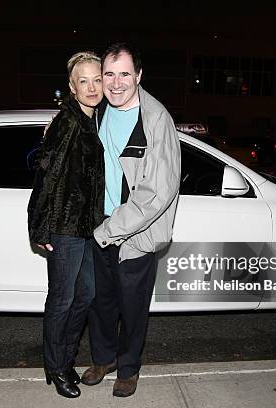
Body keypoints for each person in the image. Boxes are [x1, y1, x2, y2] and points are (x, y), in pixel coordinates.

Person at [81, 43, 181, 397]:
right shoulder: (98, 113)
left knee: (133, 308)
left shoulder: (157, 121)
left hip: (133, 235)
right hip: (100, 228)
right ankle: (104, 358)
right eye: (109, 73)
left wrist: (108, 230)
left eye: (124, 73)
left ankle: (128, 368)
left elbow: (156, 192)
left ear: (138, 75)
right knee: (100, 303)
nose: (116, 82)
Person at [27, 51, 105, 398]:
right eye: (83, 81)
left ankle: (66, 358)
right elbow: (46, 175)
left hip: (86, 227)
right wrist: (40, 227)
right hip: (63, 225)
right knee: (61, 299)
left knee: (85, 294)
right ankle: (56, 368)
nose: (91, 87)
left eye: (97, 79)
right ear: (72, 88)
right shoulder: (68, 121)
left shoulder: (92, 119)